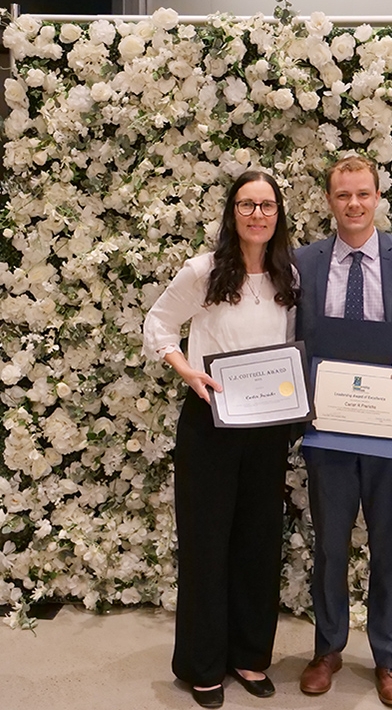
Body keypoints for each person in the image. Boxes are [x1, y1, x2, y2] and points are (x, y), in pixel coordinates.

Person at [294, 155, 392, 708]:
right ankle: (328, 649)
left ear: (378, 196)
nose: (354, 205)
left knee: (388, 545)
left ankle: (389, 658)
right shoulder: (304, 262)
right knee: (329, 547)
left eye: (363, 194)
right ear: (328, 200)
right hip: (329, 430)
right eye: (343, 196)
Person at [142, 170, 299, 709]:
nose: (257, 214)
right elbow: (157, 324)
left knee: (258, 544)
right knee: (207, 545)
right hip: (210, 421)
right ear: (232, 213)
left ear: (279, 214)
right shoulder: (204, 270)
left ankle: (250, 656)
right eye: (246, 205)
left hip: (269, 427)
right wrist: (188, 372)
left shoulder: (289, 275)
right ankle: (201, 664)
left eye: (267, 205)